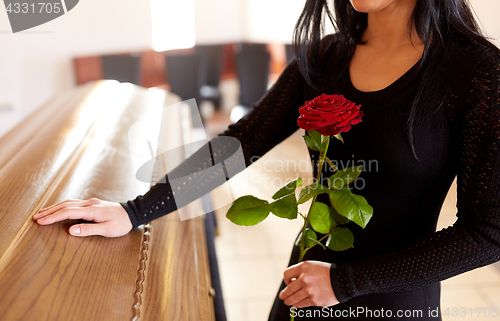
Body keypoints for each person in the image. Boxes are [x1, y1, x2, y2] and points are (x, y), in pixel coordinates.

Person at [33, 0, 500, 319]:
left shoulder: (475, 72)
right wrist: (133, 212)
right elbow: (236, 145)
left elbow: (488, 233)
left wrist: (347, 282)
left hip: (392, 300)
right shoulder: (323, 59)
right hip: (303, 285)